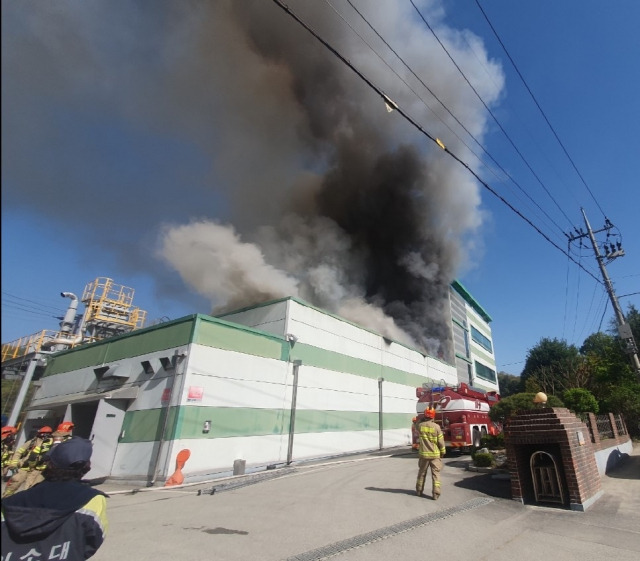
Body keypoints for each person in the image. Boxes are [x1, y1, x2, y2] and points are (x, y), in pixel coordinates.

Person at [1, 436, 108, 560]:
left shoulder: (10, 503)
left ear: (49, 465)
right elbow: (93, 540)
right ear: (87, 467)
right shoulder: (92, 500)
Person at [2, 426, 54, 497]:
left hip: (37, 470)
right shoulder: (32, 441)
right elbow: (19, 452)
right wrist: (14, 463)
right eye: (43, 433)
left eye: (47, 434)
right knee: (14, 483)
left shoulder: (52, 444)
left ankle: (22, 504)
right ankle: (5, 498)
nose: (44, 436)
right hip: (24, 467)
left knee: (30, 489)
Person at [415, 408, 446, 500]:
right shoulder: (436, 427)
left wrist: (422, 418)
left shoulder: (420, 426)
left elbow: (415, 425)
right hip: (435, 455)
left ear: (425, 415)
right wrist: (443, 452)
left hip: (424, 455)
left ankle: (419, 491)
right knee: (436, 474)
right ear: (433, 416)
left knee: (421, 473)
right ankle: (436, 494)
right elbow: (441, 441)